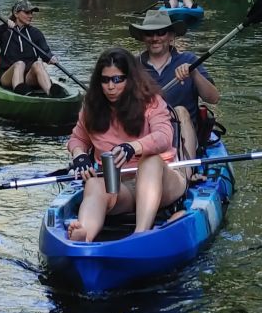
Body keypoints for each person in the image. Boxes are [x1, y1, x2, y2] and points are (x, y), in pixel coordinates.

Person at [65, 47, 186, 243]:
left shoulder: (151, 102)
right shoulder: (91, 108)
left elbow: (164, 136)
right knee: (94, 183)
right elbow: (77, 139)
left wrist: (133, 147)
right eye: (105, 80)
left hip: (162, 181)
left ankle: (140, 234)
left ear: (130, 79)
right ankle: (84, 235)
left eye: (117, 79)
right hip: (121, 186)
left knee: (151, 161)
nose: (110, 86)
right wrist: (79, 155)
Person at [130, 10, 220, 163]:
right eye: (150, 34)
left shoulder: (190, 60)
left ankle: (186, 170)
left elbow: (213, 98)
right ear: (143, 38)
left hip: (183, 135)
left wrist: (194, 74)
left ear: (171, 36)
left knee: (180, 111)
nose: (155, 38)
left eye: (161, 33)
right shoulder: (132, 66)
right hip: (147, 133)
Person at [0, 0, 63, 96]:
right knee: (19, 64)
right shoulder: (5, 31)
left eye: (31, 13)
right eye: (27, 12)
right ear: (16, 13)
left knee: (38, 64)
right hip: (7, 77)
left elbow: (45, 52)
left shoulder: (36, 33)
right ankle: (20, 91)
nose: (31, 16)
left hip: (28, 78)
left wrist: (51, 57)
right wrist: (4, 27)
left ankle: (51, 92)